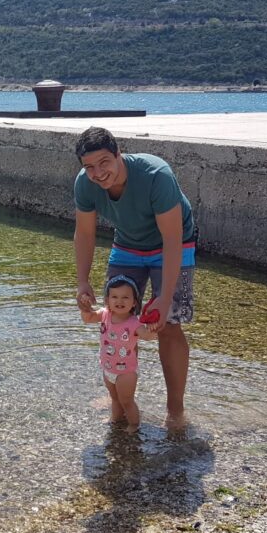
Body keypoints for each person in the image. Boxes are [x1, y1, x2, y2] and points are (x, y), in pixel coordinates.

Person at [73, 127, 197, 430]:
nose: (98, 173)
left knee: (168, 324)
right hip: (128, 244)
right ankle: (121, 396)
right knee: (117, 316)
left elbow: (172, 239)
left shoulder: (156, 175)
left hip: (173, 244)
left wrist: (164, 298)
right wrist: (82, 281)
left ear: (119, 153)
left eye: (104, 162)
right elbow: (85, 233)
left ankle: (175, 410)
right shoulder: (85, 184)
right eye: (89, 167)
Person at [80, 274, 158, 432]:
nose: (119, 301)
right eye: (114, 297)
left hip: (126, 372)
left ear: (134, 302)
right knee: (115, 399)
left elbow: (147, 336)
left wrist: (153, 327)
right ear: (107, 300)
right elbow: (88, 318)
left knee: (127, 401)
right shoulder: (104, 314)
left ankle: (134, 424)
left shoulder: (134, 322)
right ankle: (115, 420)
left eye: (125, 297)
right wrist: (85, 307)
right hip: (108, 369)